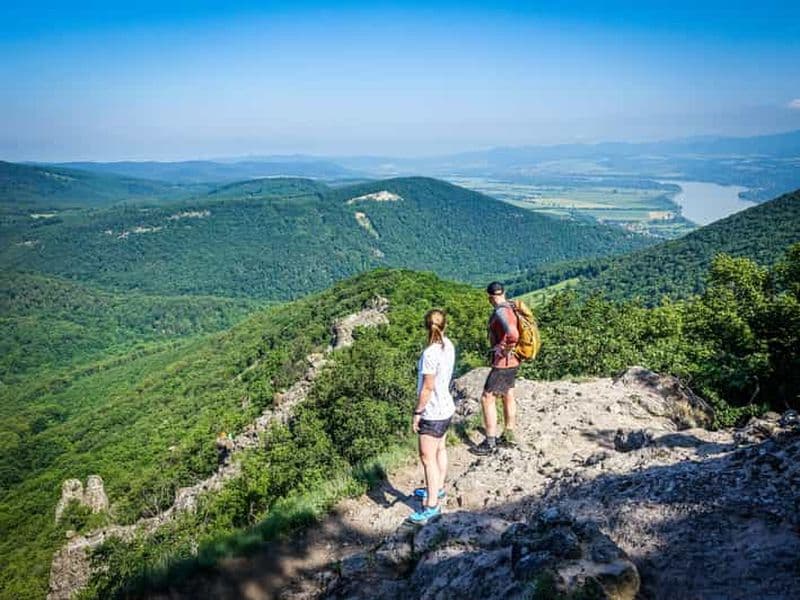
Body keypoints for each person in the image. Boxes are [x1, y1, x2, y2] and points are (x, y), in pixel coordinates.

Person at [408, 309, 456, 524]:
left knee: (428, 459)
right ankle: (438, 489)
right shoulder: (449, 345)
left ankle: (432, 506)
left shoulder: (430, 354)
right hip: (446, 407)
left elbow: (427, 387)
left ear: (426, 327)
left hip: (432, 412)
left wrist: (417, 413)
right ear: (444, 326)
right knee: (440, 450)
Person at [472, 281, 519, 455]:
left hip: (504, 362)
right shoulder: (511, 307)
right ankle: (509, 433)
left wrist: (503, 348)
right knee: (508, 393)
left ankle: (490, 441)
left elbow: (513, 334)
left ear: (490, 297)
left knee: (487, 397)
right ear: (503, 292)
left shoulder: (500, 310)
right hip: (514, 360)